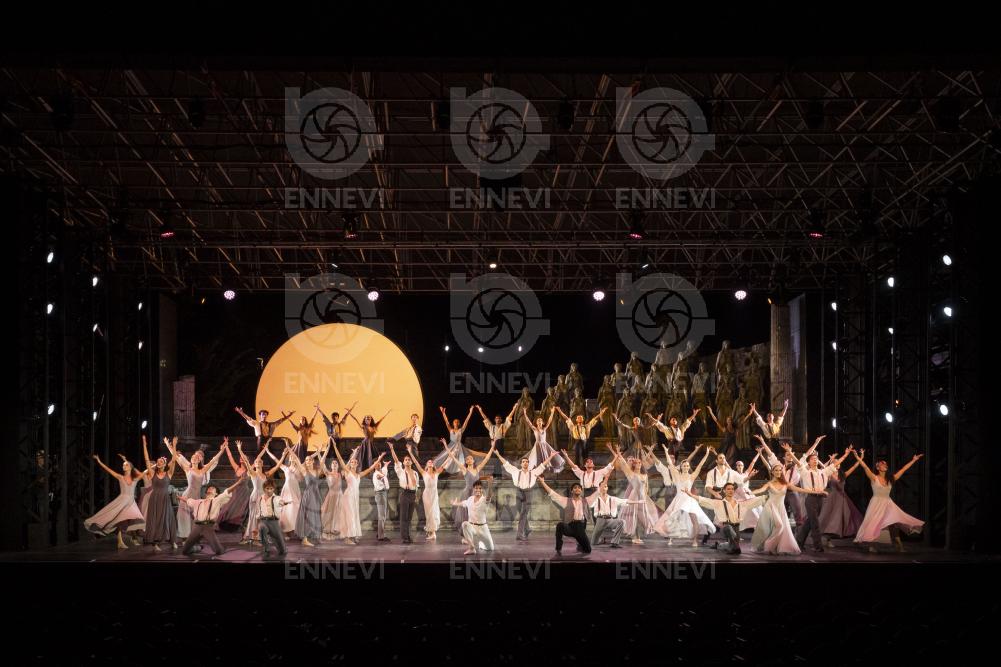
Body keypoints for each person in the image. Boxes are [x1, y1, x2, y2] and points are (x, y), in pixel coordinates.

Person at [851, 450, 925, 552]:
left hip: (888, 504)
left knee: (893, 523)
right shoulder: (874, 478)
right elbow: (865, 467)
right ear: (878, 467)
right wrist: (857, 457)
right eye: (882, 463)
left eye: (886, 464)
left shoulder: (890, 479)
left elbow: (903, 470)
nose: (885, 465)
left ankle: (900, 546)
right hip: (876, 504)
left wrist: (913, 460)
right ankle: (872, 545)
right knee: (874, 524)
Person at [750, 463, 828, 555]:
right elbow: (760, 490)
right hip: (770, 507)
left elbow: (801, 490)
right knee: (779, 526)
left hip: (780, 508)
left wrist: (817, 492)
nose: (778, 472)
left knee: (777, 528)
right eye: (776, 470)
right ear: (772, 472)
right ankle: (769, 546)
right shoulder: (769, 484)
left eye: (780, 470)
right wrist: (750, 493)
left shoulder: (785, 484)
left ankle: (772, 547)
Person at [651, 444, 716, 547]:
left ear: (689, 467)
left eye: (687, 465)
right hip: (679, 499)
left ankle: (695, 540)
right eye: (684, 465)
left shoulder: (692, 476)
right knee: (673, 518)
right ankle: (671, 538)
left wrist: (707, 453)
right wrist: (666, 451)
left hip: (689, 500)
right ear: (681, 467)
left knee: (694, 519)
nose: (685, 467)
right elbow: (670, 463)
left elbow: (700, 465)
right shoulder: (676, 475)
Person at [165, 438, 225, 539]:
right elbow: (176, 456)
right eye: (193, 456)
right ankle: (184, 538)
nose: (194, 457)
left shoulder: (203, 470)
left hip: (196, 497)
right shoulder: (187, 468)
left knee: (195, 518)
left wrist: (222, 450)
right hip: (187, 495)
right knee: (184, 517)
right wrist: (169, 444)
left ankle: (193, 538)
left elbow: (214, 460)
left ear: (199, 460)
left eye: (197, 457)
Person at [683, 483, 767, 554]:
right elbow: (705, 500)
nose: (731, 491)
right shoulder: (719, 503)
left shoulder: (740, 504)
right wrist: (691, 494)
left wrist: (767, 496)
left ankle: (719, 545)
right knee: (729, 529)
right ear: (724, 491)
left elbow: (754, 501)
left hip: (736, 529)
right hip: (725, 528)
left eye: (732, 489)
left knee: (732, 545)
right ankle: (734, 546)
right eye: (728, 489)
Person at [85, 453, 146, 549]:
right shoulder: (120, 477)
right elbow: (108, 469)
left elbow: (145, 471)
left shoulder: (135, 478)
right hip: (121, 502)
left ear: (130, 467)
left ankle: (132, 538)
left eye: (126, 465)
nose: (124, 466)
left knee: (135, 518)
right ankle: (120, 541)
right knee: (119, 520)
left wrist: (153, 466)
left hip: (130, 503)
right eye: (123, 465)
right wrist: (99, 461)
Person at [330, 440, 386, 545]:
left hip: (355, 496)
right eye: (352, 462)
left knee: (355, 515)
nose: (354, 463)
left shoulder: (359, 474)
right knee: (350, 516)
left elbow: (370, 468)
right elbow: (340, 459)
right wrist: (335, 446)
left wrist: (379, 458)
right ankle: (348, 537)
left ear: (357, 464)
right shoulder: (347, 471)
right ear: (350, 464)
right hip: (348, 496)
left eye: (355, 462)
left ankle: (353, 535)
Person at [496, 449, 558, 542]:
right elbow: (506, 463)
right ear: (521, 464)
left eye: (527, 462)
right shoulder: (515, 471)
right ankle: (527, 528)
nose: (525, 463)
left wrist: (551, 456)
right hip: (518, 492)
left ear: (528, 464)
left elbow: (543, 465)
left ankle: (519, 534)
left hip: (528, 493)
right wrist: (498, 454)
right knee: (520, 511)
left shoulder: (533, 472)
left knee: (523, 513)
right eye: (523, 462)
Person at [607, 443, 659, 544]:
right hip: (634, 497)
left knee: (642, 517)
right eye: (637, 463)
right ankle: (634, 537)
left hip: (642, 497)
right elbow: (623, 464)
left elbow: (646, 487)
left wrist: (645, 497)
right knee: (633, 516)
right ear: (634, 464)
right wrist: (618, 453)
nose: (639, 464)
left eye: (640, 462)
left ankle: (638, 535)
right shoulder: (631, 474)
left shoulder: (644, 475)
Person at [179, 479, 245, 556]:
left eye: (213, 488)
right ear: (206, 491)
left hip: (208, 527)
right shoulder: (198, 502)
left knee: (219, 551)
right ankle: (198, 548)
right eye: (209, 488)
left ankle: (220, 548)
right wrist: (179, 497)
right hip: (197, 527)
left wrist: (238, 482)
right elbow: (187, 500)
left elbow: (227, 491)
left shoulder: (217, 500)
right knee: (185, 551)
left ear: (216, 493)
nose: (210, 488)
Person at [446, 442, 496, 543]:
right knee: (466, 515)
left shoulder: (477, 469)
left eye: (470, 458)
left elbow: (486, 459)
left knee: (477, 514)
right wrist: (446, 446)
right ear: (466, 462)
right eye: (467, 459)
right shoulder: (464, 470)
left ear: (473, 461)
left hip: (477, 493)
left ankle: (477, 533)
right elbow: (454, 458)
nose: (469, 459)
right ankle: (466, 537)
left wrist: (492, 446)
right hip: (467, 493)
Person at [238, 440, 284, 546]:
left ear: (262, 464)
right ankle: (254, 538)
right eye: (256, 462)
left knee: (263, 517)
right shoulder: (252, 473)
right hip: (255, 496)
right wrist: (240, 449)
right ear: (254, 464)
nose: (258, 463)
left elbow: (277, 466)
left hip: (263, 497)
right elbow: (246, 461)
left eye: (259, 462)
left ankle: (261, 536)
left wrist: (282, 456)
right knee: (254, 517)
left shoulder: (266, 474)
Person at [793, 435, 833, 552]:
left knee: (810, 521)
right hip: (809, 497)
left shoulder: (820, 472)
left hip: (819, 498)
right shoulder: (804, 470)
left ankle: (799, 541)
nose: (815, 460)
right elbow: (804, 457)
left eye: (816, 458)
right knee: (814, 522)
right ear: (808, 462)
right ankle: (818, 545)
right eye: (813, 459)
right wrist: (790, 452)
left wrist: (817, 442)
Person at [818, 447, 865, 547]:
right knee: (830, 517)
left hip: (842, 498)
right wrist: (830, 460)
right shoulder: (829, 474)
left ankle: (855, 537)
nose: (837, 464)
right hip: (831, 498)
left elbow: (855, 466)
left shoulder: (843, 474)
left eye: (838, 462)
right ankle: (827, 539)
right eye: (835, 462)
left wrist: (861, 457)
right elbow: (822, 470)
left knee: (846, 517)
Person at [139, 435, 177, 551]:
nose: (159, 462)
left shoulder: (169, 473)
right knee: (155, 520)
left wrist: (174, 445)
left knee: (168, 518)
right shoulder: (152, 473)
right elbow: (146, 459)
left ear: (165, 464)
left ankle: (172, 541)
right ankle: (155, 543)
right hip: (154, 498)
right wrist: (144, 444)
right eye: (158, 461)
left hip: (165, 498)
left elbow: (174, 460)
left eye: (161, 461)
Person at [538, 478, 591, 556]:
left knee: (588, 550)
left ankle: (580, 543)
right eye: (575, 488)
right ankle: (558, 547)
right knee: (560, 525)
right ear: (572, 491)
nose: (577, 489)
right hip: (570, 526)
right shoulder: (566, 500)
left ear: (581, 490)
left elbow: (598, 493)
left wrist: (606, 478)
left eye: (579, 488)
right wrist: (542, 482)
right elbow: (552, 493)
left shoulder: (585, 501)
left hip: (580, 527)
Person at [586, 479, 643, 548]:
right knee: (593, 543)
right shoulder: (595, 499)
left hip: (610, 520)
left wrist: (638, 502)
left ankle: (614, 542)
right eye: (602, 486)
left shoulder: (612, 499)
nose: (603, 488)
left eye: (605, 486)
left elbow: (624, 501)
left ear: (607, 488)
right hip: (600, 520)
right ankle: (600, 540)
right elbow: (588, 503)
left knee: (621, 522)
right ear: (599, 488)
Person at [435, 406, 489, 474]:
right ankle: (440, 470)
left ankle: (462, 471)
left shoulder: (461, 430)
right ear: (453, 423)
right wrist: (443, 413)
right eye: (455, 422)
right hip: (451, 446)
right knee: (446, 458)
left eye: (457, 422)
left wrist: (470, 412)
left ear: (459, 423)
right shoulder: (450, 429)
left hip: (458, 446)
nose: (456, 423)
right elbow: (446, 422)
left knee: (455, 458)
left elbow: (466, 421)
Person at [411, 442, 446, 541]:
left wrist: (450, 451)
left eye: (431, 462)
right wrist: (410, 452)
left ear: (433, 464)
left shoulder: (436, 472)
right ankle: (431, 531)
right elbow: (416, 463)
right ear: (427, 465)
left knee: (433, 512)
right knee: (428, 513)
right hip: (426, 495)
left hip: (434, 494)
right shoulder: (423, 473)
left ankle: (433, 533)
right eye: (429, 462)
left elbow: (445, 463)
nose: (430, 462)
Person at [217, 436, 253, 532]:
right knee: (228, 507)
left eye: (243, 458)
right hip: (236, 490)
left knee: (240, 509)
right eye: (241, 457)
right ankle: (225, 525)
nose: (241, 458)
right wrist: (226, 446)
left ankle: (239, 527)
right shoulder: (237, 468)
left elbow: (248, 461)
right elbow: (230, 457)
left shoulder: (249, 470)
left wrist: (240, 449)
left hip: (244, 492)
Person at [388, 440, 421, 544]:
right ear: (403, 462)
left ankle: (408, 535)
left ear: (411, 462)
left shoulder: (415, 473)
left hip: (412, 494)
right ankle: (404, 537)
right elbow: (396, 460)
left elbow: (416, 485)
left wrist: (416, 496)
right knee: (404, 517)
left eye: (409, 460)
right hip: (405, 494)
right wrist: (392, 449)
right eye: (405, 460)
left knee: (409, 518)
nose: (407, 461)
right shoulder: (401, 471)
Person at [289, 449, 323, 547]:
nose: (307, 461)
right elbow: (296, 459)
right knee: (307, 515)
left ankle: (314, 535)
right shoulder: (304, 471)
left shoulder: (317, 471)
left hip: (316, 495)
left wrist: (321, 451)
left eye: (309, 460)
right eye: (306, 460)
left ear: (313, 461)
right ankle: (304, 539)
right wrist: (289, 449)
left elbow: (322, 461)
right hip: (308, 495)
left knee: (315, 514)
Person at [450, 480, 494, 555]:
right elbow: (463, 503)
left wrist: (490, 485)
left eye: (480, 488)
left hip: (483, 529)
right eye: (476, 488)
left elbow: (489, 495)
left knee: (490, 548)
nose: (478, 490)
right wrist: (455, 503)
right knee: (465, 524)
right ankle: (471, 548)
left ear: (482, 490)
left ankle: (480, 543)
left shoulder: (484, 500)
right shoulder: (470, 499)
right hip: (472, 528)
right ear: (473, 489)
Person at [522, 407, 565, 473]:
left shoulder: (544, 429)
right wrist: (525, 413)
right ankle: (537, 470)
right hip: (537, 445)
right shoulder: (534, 429)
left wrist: (552, 412)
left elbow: (549, 421)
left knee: (546, 457)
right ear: (536, 423)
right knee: (537, 458)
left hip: (544, 445)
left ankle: (546, 468)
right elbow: (528, 422)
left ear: (542, 422)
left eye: (540, 420)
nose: (539, 421)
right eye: (538, 421)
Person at [316, 441, 344, 542]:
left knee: (338, 512)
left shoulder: (341, 474)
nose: (335, 464)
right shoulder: (327, 473)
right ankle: (328, 530)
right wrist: (320, 452)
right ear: (331, 466)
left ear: (338, 466)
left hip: (339, 495)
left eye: (336, 463)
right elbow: (322, 462)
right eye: (333, 463)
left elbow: (347, 463)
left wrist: (354, 454)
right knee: (329, 512)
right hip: (331, 495)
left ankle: (336, 529)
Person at [257, 480, 291, 557]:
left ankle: (282, 549)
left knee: (282, 549)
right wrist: (257, 525)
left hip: (273, 522)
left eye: (271, 488)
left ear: (273, 489)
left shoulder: (276, 498)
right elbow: (258, 512)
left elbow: (281, 502)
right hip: (263, 521)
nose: (269, 490)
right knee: (261, 528)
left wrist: (284, 503)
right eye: (267, 488)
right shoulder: (260, 498)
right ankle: (266, 550)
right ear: (264, 488)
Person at [371, 457, 392, 542]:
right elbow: (380, 476)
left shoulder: (381, 471)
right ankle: (381, 536)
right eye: (376, 463)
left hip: (383, 493)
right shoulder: (376, 474)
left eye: (379, 463)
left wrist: (386, 465)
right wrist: (381, 476)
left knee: (383, 515)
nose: (378, 464)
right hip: (380, 494)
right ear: (374, 466)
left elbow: (384, 471)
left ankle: (380, 533)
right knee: (382, 516)